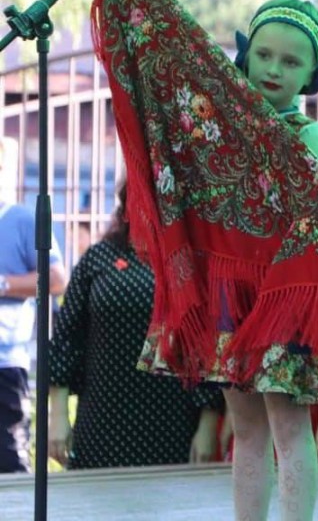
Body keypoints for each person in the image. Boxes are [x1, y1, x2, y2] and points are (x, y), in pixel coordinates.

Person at [136, 0, 318, 521]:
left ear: (314, 72)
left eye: (290, 61)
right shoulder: (216, 132)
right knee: (246, 427)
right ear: (245, 55)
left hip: (289, 302)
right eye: (264, 55)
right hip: (233, 298)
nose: (273, 69)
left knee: (289, 425)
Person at [48, 182, 225, 468]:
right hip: (102, 423)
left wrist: (208, 425)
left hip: (174, 424)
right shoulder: (98, 258)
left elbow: (210, 349)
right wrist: (57, 417)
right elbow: (66, 339)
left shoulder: (192, 263)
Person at [0, 139, 67, 473]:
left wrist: (4, 284)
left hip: (5, 365)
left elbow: (56, 279)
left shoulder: (23, 219)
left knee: (10, 466)